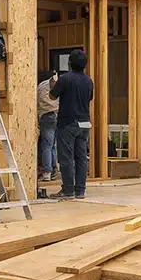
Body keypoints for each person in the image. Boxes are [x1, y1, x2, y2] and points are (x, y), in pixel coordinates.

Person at [49, 48, 94, 199]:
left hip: (68, 123)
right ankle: (80, 191)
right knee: (81, 157)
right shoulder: (88, 81)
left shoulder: (65, 79)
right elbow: (89, 99)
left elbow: (52, 96)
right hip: (85, 124)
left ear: (69, 63)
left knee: (66, 157)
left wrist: (53, 84)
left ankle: (68, 190)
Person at [37, 70, 59, 182]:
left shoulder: (40, 86)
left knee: (46, 145)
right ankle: (54, 170)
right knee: (52, 145)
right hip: (56, 116)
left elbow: (38, 103)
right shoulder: (54, 86)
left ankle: (47, 172)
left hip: (46, 117)